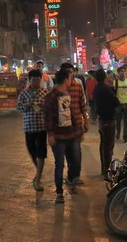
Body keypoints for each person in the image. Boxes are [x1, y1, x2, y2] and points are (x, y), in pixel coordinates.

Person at [43, 69, 84, 204]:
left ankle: (71, 181)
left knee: (75, 160)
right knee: (59, 164)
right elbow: (48, 117)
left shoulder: (66, 94)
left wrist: (78, 129)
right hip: (58, 137)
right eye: (70, 78)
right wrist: (50, 134)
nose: (71, 81)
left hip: (70, 134)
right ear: (65, 79)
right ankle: (59, 193)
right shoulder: (51, 96)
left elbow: (70, 114)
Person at [58, 63, 89, 185]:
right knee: (68, 152)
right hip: (64, 126)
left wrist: (86, 121)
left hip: (77, 125)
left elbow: (83, 104)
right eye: (67, 72)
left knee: (76, 152)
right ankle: (71, 175)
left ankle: (75, 175)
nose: (69, 74)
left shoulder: (78, 86)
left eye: (71, 72)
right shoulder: (58, 89)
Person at [16, 69, 47, 192]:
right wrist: (27, 105)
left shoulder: (45, 92)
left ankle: (38, 179)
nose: (36, 82)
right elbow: (18, 107)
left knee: (41, 153)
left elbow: (50, 107)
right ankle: (38, 170)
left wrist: (43, 106)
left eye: (38, 80)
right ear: (30, 80)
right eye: (34, 80)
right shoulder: (24, 93)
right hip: (29, 127)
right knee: (32, 151)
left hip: (42, 127)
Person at [93, 69, 121, 176]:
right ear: (104, 77)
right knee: (108, 147)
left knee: (103, 145)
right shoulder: (106, 89)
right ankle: (107, 171)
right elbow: (116, 101)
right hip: (109, 120)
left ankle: (104, 169)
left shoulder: (97, 89)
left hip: (102, 120)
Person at [114, 66, 127, 142]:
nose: (123, 72)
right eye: (121, 71)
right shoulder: (115, 82)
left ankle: (125, 136)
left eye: (124, 71)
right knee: (118, 120)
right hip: (118, 104)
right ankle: (118, 133)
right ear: (118, 73)